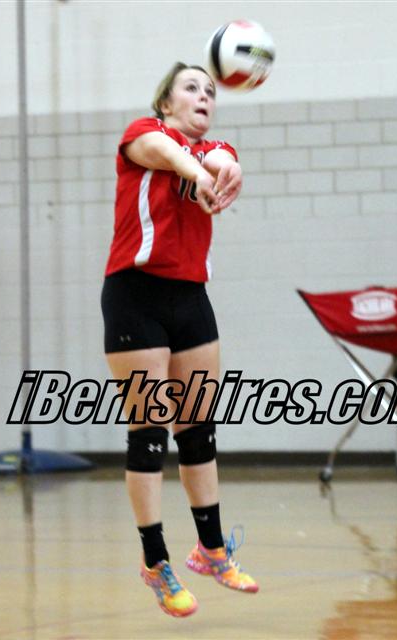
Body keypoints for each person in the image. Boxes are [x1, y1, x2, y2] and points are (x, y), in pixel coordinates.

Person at [101, 62, 258, 618]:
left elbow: (220, 160)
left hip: (190, 297)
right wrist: (197, 170)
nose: (204, 96)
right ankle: (155, 561)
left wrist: (226, 168)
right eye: (191, 87)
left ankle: (210, 551)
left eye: (210, 90)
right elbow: (169, 155)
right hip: (135, 294)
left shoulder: (213, 148)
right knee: (149, 431)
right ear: (166, 103)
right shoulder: (143, 135)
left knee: (197, 430)